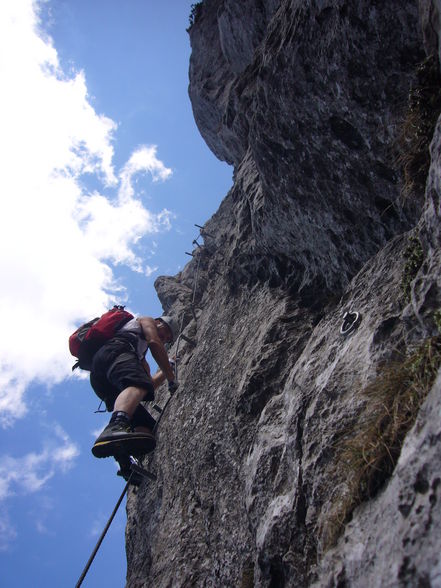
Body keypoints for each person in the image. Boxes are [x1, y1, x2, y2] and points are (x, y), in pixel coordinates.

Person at [90, 315, 179, 458]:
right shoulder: (146, 320)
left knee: (146, 425)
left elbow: (148, 384)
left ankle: (125, 463)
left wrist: (168, 369)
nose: (166, 338)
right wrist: (171, 378)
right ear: (158, 322)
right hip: (115, 351)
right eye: (166, 332)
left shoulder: (140, 354)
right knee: (137, 384)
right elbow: (154, 342)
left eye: (169, 339)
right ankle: (116, 425)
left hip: (102, 378)